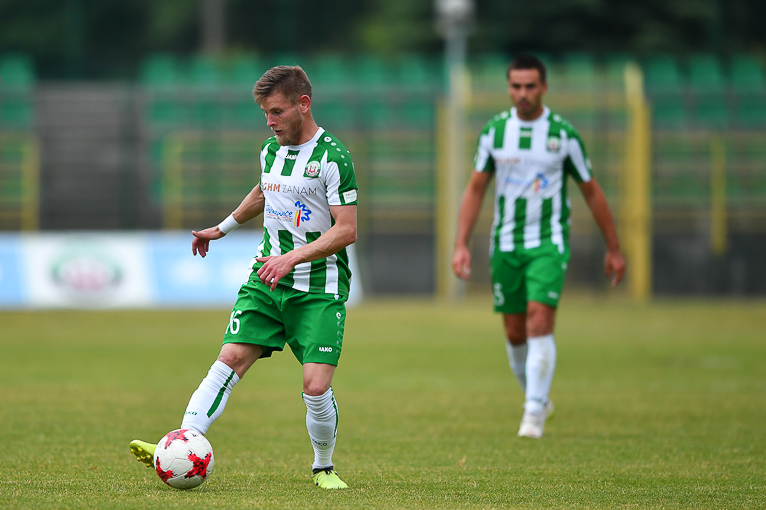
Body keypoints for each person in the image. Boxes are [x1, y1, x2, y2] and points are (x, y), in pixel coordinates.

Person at [130, 65, 359, 489]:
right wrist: (222, 228)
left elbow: (346, 230)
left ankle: (323, 467)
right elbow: (263, 190)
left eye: (276, 112)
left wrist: (291, 258)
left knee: (315, 386)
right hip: (267, 280)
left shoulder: (333, 157)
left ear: (303, 104)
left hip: (318, 288)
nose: (269, 122)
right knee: (230, 358)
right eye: (265, 114)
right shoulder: (271, 150)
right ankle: (182, 443)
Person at [451, 54, 625, 439]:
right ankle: (539, 398)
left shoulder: (564, 135)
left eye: (530, 86)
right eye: (516, 86)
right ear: (509, 88)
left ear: (544, 87)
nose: (523, 93)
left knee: (539, 319)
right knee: (515, 333)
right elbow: (476, 189)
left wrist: (614, 248)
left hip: (548, 242)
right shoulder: (494, 132)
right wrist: (461, 244)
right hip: (505, 244)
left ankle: (532, 413)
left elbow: (592, 191)